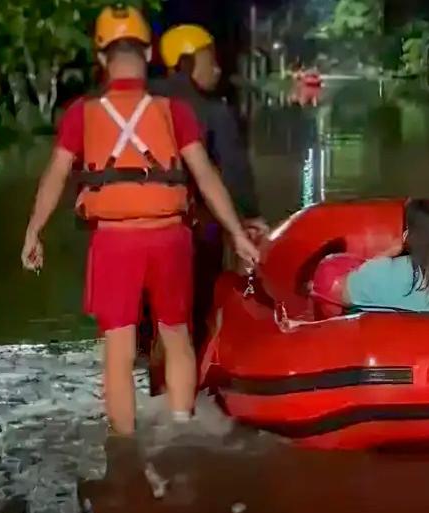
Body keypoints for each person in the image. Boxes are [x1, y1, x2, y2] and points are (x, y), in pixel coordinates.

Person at [20, 6, 259, 436]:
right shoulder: (175, 111)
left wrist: (33, 231)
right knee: (177, 337)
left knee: (119, 348)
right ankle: (183, 433)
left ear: (100, 57)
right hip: (170, 238)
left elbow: (55, 176)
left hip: (114, 242)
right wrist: (237, 234)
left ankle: (126, 449)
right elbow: (205, 176)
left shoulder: (81, 113)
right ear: (149, 53)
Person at [152, 23, 268, 351]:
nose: (217, 68)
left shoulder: (142, 102)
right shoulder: (214, 110)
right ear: (187, 63)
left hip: (138, 227)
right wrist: (250, 218)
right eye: (209, 61)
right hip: (195, 226)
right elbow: (235, 171)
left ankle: (148, 369)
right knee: (198, 307)